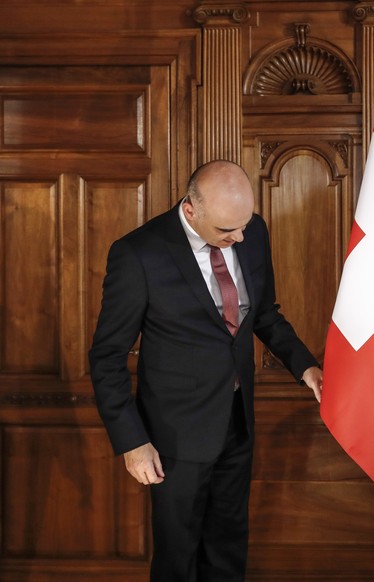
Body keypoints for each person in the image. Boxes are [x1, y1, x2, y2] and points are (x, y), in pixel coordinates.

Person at [89, 159, 323, 581]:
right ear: (191, 209)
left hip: (237, 425)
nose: (239, 238)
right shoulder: (138, 254)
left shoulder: (251, 233)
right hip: (173, 438)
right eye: (226, 232)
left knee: (228, 549)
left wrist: (306, 367)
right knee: (178, 559)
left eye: (244, 226)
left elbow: (264, 314)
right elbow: (106, 357)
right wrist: (132, 441)